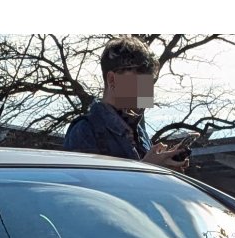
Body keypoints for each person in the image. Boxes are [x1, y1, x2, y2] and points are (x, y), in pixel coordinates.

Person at [63, 37, 187, 169]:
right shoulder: (84, 130)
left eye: (148, 82)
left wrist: (166, 170)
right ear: (112, 80)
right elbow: (87, 187)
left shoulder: (140, 132)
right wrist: (148, 169)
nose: (146, 90)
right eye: (139, 81)